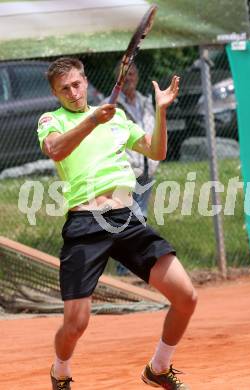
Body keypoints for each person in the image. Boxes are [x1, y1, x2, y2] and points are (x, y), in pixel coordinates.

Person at [37, 57, 197, 390]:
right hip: (84, 223)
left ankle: (158, 368)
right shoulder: (52, 119)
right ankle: (60, 371)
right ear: (55, 92)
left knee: (186, 297)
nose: (73, 92)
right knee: (76, 323)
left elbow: (157, 151)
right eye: (64, 88)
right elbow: (55, 149)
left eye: (77, 83)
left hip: (125, 219)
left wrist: (162, 109)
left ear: (84, 81)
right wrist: (92, 121)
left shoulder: (117, 117)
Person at [104, 63, 158, 276]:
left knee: (141, 217)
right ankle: (124, 269)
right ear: (118, 78)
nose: (129, 78)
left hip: (147, 169)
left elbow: (152, 129)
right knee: (126, 219)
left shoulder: (146, 103)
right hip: (125, 172)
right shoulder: (111, 105)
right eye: (125, 75)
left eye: (133, 74)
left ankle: (136, 267)